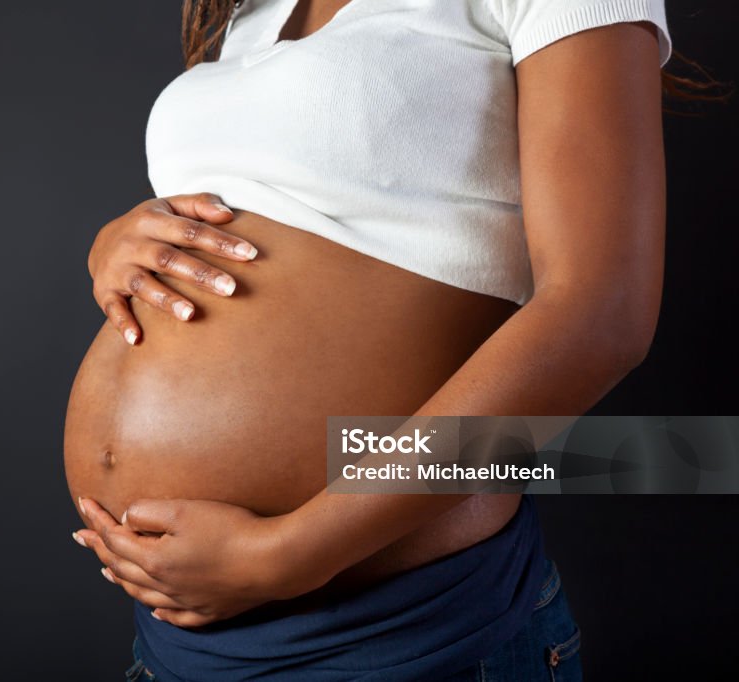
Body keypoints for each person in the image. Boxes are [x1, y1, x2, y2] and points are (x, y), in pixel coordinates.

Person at [64, 0, 680, 679]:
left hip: (408, 638)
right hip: (178, 647)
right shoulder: (254, 15)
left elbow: (602, 314)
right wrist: (118, 241)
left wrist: (287, 555)